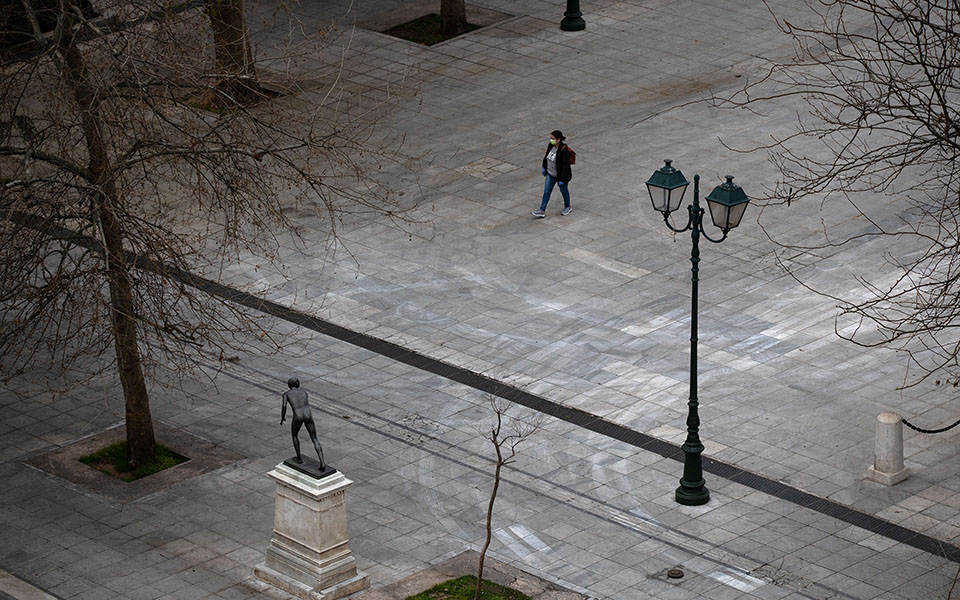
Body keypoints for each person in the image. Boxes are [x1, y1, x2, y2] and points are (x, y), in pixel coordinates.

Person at [281, 377, 325, 467]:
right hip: (308, 414)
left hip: (298, 416)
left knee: (294, 435)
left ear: (289, 385)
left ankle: (299, 458)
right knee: (315, 438)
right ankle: (322, 462)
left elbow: (284, 405)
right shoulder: (304, 393)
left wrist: (283, 417)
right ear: (298, 385)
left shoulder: (286, 394)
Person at [532, 130, 573, 218]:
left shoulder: (563, 150)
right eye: (550, 138)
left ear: (558, 139)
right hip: (550, 174)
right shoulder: (551, 145)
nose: (551, 140)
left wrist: (562, 179)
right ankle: (542, 210)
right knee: (547, 191)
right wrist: (544, 167)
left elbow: (566, 166)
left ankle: (567, 206)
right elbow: (546, 156)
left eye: (553, 138)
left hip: (560, 176)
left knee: (563, 190)